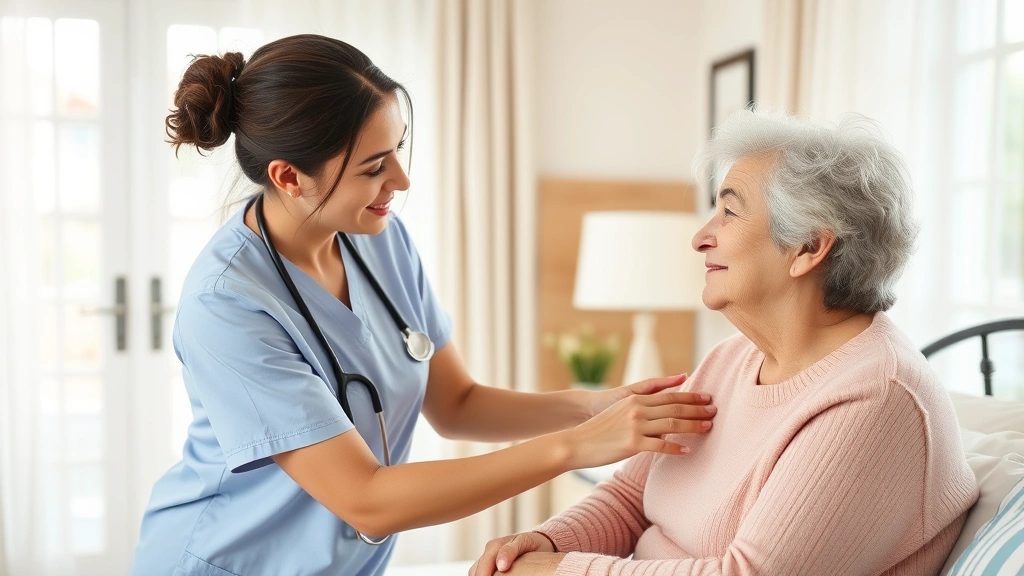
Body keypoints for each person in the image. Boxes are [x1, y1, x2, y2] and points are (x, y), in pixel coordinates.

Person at [129, 34, 720, 576]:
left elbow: (456, 404)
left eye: (397, 150)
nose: (401, 180)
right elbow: (366, 499)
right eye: (373, 167)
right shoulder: (227, 304)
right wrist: (576, 448)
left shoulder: (379, 241)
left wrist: (592, 406)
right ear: (288, 177)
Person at [471, 110, 980, 576]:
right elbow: (632, 494)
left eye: (730, 213)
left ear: (808, 246)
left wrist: (555, 571)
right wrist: (540, 542)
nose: (700, 237)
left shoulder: (874, 399)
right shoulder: (733, 358)